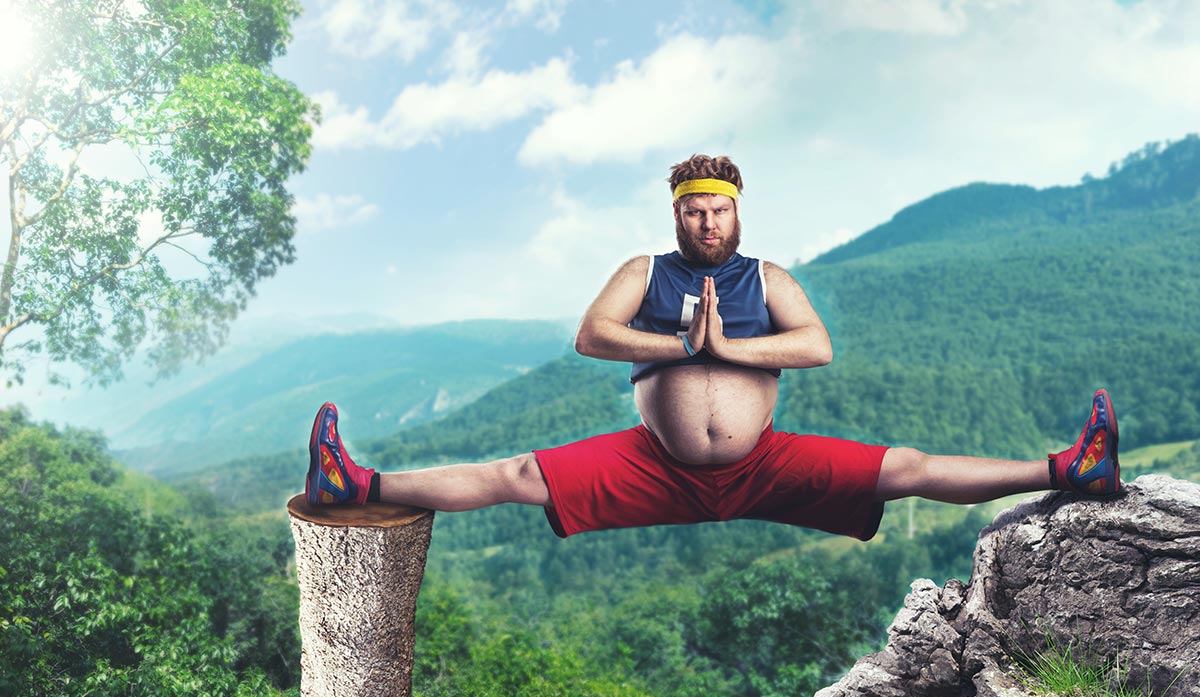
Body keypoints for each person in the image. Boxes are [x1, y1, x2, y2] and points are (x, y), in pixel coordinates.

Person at [305, 154, 1120, 542]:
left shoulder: (767, 277)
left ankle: (1068, 469)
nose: (706, 224)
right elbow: (591, 335)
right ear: (677, 216)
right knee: (520, 475)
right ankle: (353, 482)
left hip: (762, 461)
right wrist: (674, 340)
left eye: (718, 212)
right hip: (653, 462)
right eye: (693, 211)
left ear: (737, 214)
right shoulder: (645, 271)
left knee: (902, 467)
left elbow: (816, 347)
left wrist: (725, 349)